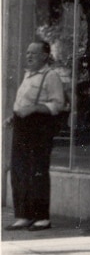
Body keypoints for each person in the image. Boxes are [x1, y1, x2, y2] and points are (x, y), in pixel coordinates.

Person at [9, 41, 68, 230]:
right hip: (22, 125)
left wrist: (35, 108)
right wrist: (14, 117)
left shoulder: (50, 76)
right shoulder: (28, 76)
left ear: (45, 55)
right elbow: (23, 103)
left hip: (39, 127)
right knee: (19, 170)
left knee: (37, 170)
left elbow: (58, 104)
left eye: (34, 53)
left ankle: (42, 217)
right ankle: (23, 215)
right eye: (27, 52)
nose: (29, 56)